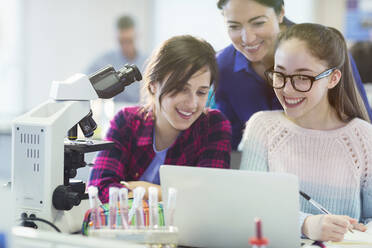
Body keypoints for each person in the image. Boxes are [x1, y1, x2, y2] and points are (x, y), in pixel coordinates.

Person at [239, 23, 372, 242]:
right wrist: (306, 224)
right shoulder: (262, 127)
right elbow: (248, 209)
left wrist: (358, 232)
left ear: (333, 78)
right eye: (280, 74)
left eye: (303, 78)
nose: (287, 89)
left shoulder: (364, 138)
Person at [88, 35, 232, 203]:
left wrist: (142, 188)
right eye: (181, 89)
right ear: (153, 85)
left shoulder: (213, 126)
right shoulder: (126, 122)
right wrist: (172, 195)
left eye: (201, 92)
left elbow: (208, 197)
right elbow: (99, 189)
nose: (192, 104)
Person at [213, 0, 372, 150]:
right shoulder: (224, 67)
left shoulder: (327, 52)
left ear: (280, 12)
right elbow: (226, 144)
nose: (247, 38)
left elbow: (361, 126)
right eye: (234, 26)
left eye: (258, 23)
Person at [86, 15, 147, 103]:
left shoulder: (147, 62)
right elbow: (86, 84)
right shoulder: (103, 61)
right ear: (116, 38)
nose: (126, 46)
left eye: (129, 41)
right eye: (122, 41)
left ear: (136, 35)